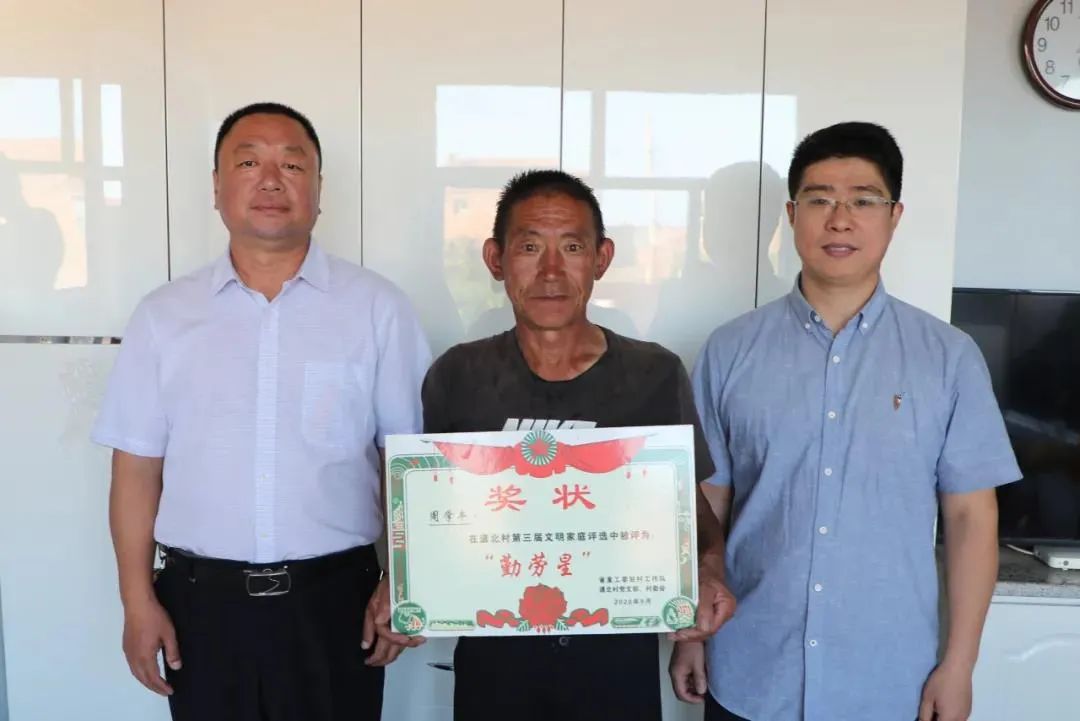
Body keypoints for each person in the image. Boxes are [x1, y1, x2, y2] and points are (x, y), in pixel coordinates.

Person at [92, 102, 430, 721]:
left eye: (292, 165)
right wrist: (137, 602)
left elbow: (409, 462)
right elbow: (136, 470)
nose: (271, 180)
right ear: (216, 187)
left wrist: (404, 583)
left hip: (337, 605)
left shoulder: (378, 309)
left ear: (319, 190)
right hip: (199, 608)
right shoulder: (163, 316)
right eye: (248, 163)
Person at [673, 122, 1021, 721]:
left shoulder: (948, 357)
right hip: (751, 667)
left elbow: (970, 517)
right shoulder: (730, 350)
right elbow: (708, 504)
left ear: (894, 216)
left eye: (863, 200)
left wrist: (959, 665)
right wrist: (691, 633)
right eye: (820, 200)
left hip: (889, 680)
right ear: (792, 215)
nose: (840, 220)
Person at [421, 169, 736, 721]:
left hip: (615, 663)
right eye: (529, 247)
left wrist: (708, 573)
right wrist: (402, 583)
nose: (551, 271)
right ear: (495, 259)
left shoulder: (654, 374)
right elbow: (431, 518)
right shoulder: (458, 376)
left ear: (601, 258)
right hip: (495, 664)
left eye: (571, 247)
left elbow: (692, 515)